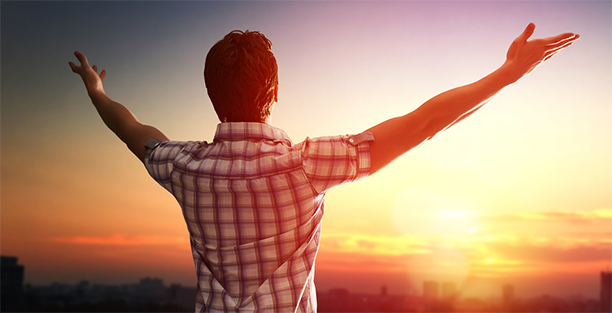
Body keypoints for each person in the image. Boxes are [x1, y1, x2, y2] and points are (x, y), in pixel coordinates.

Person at [69, 23, 579, 313]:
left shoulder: (184, 167)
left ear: (211, 94)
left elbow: (133, 130)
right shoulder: (307, 166)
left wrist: (97, 89)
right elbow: (424, 121)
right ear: (273, 94)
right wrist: (508, 73)